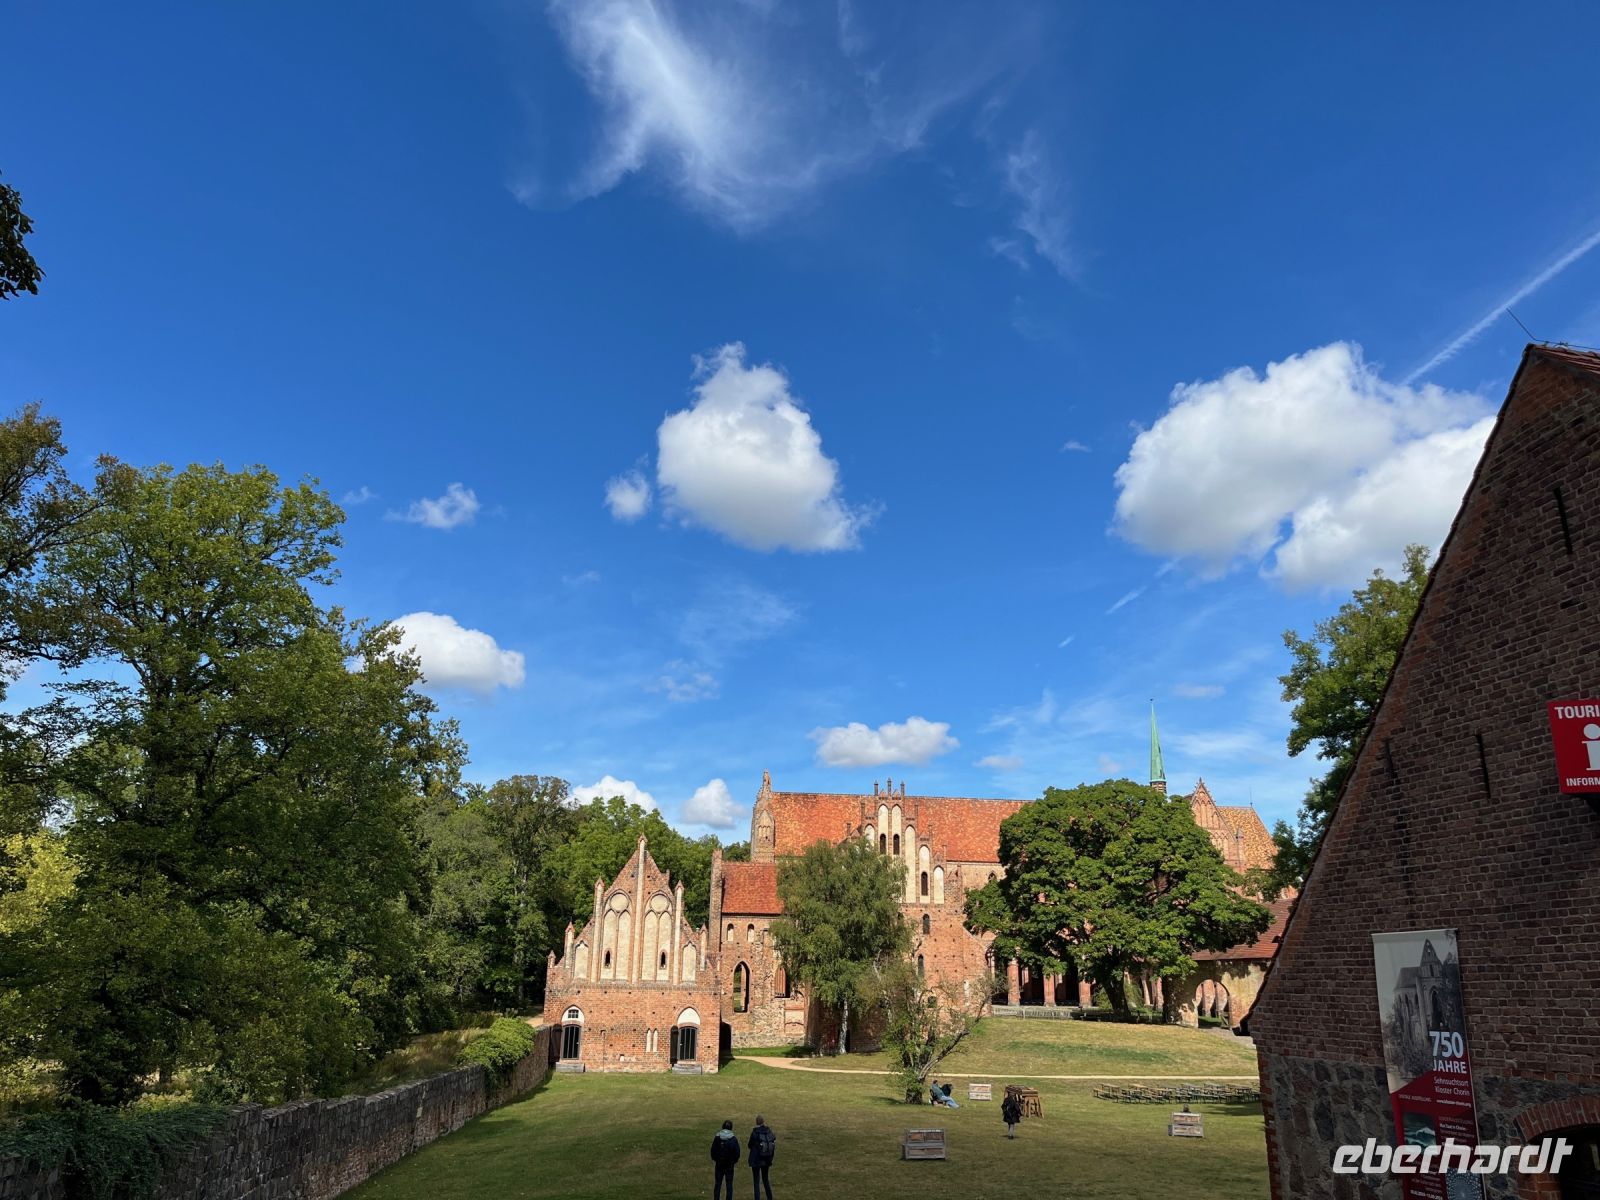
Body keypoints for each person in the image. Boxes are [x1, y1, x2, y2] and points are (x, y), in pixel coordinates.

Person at [711, 1119, 740, 1200]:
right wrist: (733, 1161)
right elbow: (737, 1153)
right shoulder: (733, 1139)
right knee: (729, 1185)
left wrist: (716, 1159)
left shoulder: (717, 1137)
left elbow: (713, 1151)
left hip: (719, 1164)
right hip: (729, 1165)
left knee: (718, 1184)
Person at [748, 1114, 776, 1200]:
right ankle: (770, 1197)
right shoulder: (769, 1132)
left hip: (756, 1160)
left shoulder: (755, 1133)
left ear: (756, 1122)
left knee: (756, 1182)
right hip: (766, 1158)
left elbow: (749, 1145)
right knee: (765, 1180)